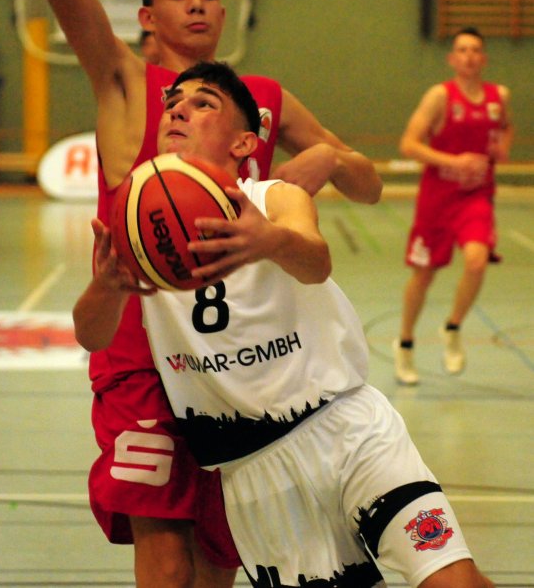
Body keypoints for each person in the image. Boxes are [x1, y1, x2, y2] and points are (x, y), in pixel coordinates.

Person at [43, 0, 382, 587]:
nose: (196, 5)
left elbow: (366, 186)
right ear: (147, 17)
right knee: (165, 552)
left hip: (234, 366)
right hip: (141, 357)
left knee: (220, 562)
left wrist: (335, 161)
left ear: (225, 12)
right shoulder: (130, 86)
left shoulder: (261, 99)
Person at [74, 60, 495, 588]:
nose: (180, 108)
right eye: (173, 103)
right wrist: (106, 288)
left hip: (347, 431)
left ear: (244, 143)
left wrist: (269, 241)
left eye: (204, 103)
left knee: (451, 578)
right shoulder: (141, 231)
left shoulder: (272, 199)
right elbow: (92, 334)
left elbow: (316, 260)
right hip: (254, 475)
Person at [392, 26, 513, 386]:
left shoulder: (498, 95)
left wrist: (503, 146)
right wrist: (452, 160)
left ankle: (453, 327)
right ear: (452, 58)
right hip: (437, 200)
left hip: (476, 197)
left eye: (476, 50)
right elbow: (409, 144)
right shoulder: (439, 97)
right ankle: (406, 343)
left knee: (477, 260)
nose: (469, 56)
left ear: (484, 58)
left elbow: (506, 128)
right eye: (462, 50)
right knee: (424, 275)